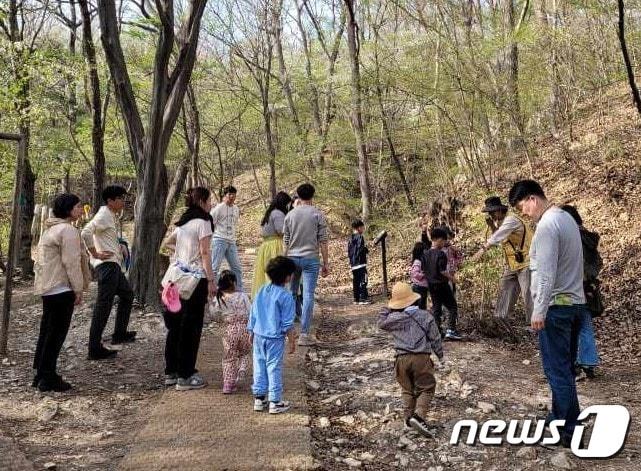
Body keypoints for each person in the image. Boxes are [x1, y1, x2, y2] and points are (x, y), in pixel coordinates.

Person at [509, 180, 586, 448]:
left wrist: (538, 310)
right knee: (564, 368)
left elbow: (544, 274)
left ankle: (565, 429)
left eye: (523, 208)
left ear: (532, 198)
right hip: (576, 304)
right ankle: (565, 419)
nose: (525, 214)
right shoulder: (566, 218)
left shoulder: (546, 226)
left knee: (556, 370)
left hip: (556, 307)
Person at [33, 194, 91, 392]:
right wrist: (78, 288)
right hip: (61, 287)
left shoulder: (51, 229)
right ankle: (48, 376)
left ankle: (41, 373)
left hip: (49, 287)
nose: (79, 209)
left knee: (47, 331)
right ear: (67, 209)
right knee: (56, 334)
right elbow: (71, 262)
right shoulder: (67, 231)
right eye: (77, 206)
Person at [161, 187, 216, 391]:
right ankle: (186, 375)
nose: (211, 204)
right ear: (201, 201)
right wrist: (211, 279)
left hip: (177, 277)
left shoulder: (183, 222)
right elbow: (205, 252)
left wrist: (182, 256)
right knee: (191, 327)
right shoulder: (203, 222)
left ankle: (171, 371)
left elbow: (168, 242)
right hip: (195, 280)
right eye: (209, 200)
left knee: (175, 325)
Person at [378, 282, 443, 437]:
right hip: (421, 357)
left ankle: (408, 420)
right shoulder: (426, 316)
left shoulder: (394, 318)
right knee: (426, 388)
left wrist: (388, 307)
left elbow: (381, 322)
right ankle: (419, 416)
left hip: (401, 359)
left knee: (407, 389)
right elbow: (435, 338)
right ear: (414, 299)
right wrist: (440, 355)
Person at [81, 185, 135, 360]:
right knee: (103, 306)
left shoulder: (110, 215)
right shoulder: (103, 214)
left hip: (114, 266)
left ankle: (120, 333)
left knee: (127, 295)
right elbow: (86, 232)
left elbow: (103, 236)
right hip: (107, 267)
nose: (123, 201)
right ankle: (94, 348)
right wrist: (94, 253)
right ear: (110, 201)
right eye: (120, 198)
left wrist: (118, 245)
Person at [471, 196, 534, 324]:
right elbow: (501, 239)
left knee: (528, 293)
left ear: (499, 210)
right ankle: (500, 319)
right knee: (506, 286)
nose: (491, 215)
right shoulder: (501, 222)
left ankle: (534, 323)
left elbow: (498, 237)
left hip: (527, 260)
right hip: (513, 263)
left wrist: (482, 249)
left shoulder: (511, 220)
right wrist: (492, 226)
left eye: (492, 212)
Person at [248, 256, 298, 414]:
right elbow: (287, 322)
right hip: (275, 338)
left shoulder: (262, 290)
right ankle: (275, 401)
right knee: (273, 368)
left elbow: (253, 313)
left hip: (258, 335)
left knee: (259, 366)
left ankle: (259, 398)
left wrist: (251, 331)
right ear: (287, 276)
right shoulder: (286, 296)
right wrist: (291, 341)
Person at [283, 183, 330, 346]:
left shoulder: (290, 215)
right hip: (311, 258)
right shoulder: (318, 214)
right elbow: (323, 241)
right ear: (312, 195)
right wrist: (326, 263)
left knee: (291, 292)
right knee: (309, 294)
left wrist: (284, 260)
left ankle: (287, 329)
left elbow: (286, 240)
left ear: (298, 195)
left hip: (292, 257)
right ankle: (304, 334)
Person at [561, 205, 602, 379]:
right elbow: (597, 262)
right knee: (584, 325)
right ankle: (588, 362)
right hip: (588, 287)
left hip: (575, 286)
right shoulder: (587, 236)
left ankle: (576, 363)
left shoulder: (574, 235)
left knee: (571, 325)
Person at [212, 270, 252, 393]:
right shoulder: (243, 295)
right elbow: (250, 311)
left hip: (229, 331)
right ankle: (242, 368)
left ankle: (228, 385)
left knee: (229, 358)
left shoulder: (219, 297)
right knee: (245, 352)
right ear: (234, 282)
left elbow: (214, 314)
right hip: (245, 329)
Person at [422, 228, 462, 340]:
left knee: (436, 308)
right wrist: (453, 278)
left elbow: (423, 270)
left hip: (431, 285)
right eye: (444, 241)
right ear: (439, 240)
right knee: (452, 306)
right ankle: (451, 330)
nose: (444, 244)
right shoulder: (440, 254)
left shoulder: (425, 254)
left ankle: (437, 332)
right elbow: (442, 271)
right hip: (442, 284)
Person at [251, 191, 292, 298]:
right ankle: (275, 297)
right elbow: (281, 231)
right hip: (275, 245)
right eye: (288, 203)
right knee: (277, 273)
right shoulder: (278, 213)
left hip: (266, 245)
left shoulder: (270, 212)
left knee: (266, 275)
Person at [210, 185, 243, 290]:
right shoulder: (219, 208)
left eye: (234, 194)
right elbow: (211, 223)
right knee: (215, 267)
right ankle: (212, 291)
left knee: (236, 268)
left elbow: (235, 223)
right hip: (219, 239)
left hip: (231, 241)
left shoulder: (236, 209)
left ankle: (239, 290)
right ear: (225, 196)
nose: (232, 197)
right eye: (229, 194)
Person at [348, 219, 370, 305]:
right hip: (360, 262)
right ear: (359, 228)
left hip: (353, 264)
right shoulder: (360, 237)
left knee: (356, 281)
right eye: (362, 227)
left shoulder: (350, 238)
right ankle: (363, 298)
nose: (363, 229)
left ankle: (356, 298)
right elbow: (360, 249)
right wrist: (365, 249)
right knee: (363, 279)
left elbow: (350, 251)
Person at [409, 242, 429, 310]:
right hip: (419, 287)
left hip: (423, 287)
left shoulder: (421, 261)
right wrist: (424, 274)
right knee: (420, 305)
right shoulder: (417, 262)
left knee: (422, 304)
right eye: (425, 251)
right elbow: (415, 274)